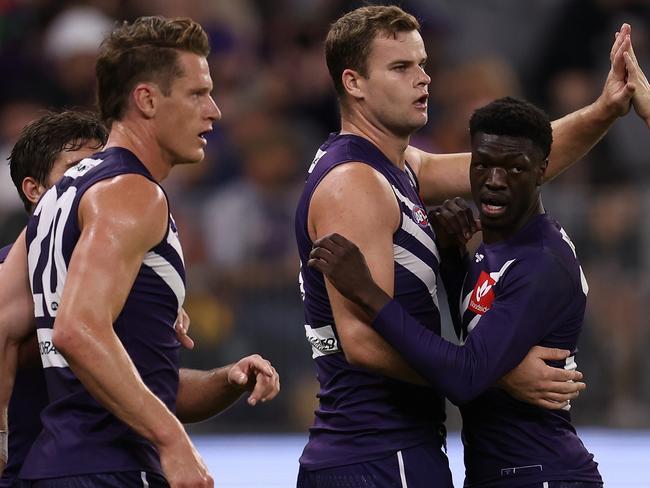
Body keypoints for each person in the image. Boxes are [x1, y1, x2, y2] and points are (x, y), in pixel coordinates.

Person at [295, 5, 636, 487]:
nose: (423, 79)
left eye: (423, 64)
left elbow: (517, 158)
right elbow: (364, 344)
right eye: (401, 68)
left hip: (391, 448)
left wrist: (604, 110)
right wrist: (496, 374)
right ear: (353, 83)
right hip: (377, 449)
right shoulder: (356, 183)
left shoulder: (399, 166)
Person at [0, 16, 274, 488]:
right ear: (147, 99)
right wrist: (173, 441)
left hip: (55, 466)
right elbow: (77, 328)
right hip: (112, 464)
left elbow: (4, 325)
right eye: (196, 93)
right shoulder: (133, 193)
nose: (214, 111)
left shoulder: (62, 193)